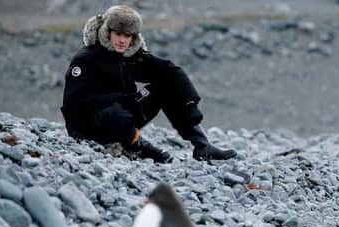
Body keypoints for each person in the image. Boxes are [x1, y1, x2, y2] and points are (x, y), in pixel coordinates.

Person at [61, 5, 237, 163]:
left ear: (134, 36)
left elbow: (170, 70)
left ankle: (202, 145)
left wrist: (190, 104)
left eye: (127, 35)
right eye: (118, 34)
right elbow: (74, 103)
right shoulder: (86, 58)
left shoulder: (131, 56)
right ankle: (138, 145)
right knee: (114, 112)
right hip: (89, 126)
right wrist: (123, 99)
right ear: (108, 33)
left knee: (164, 85)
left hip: (124, 117)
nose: (122, 40)